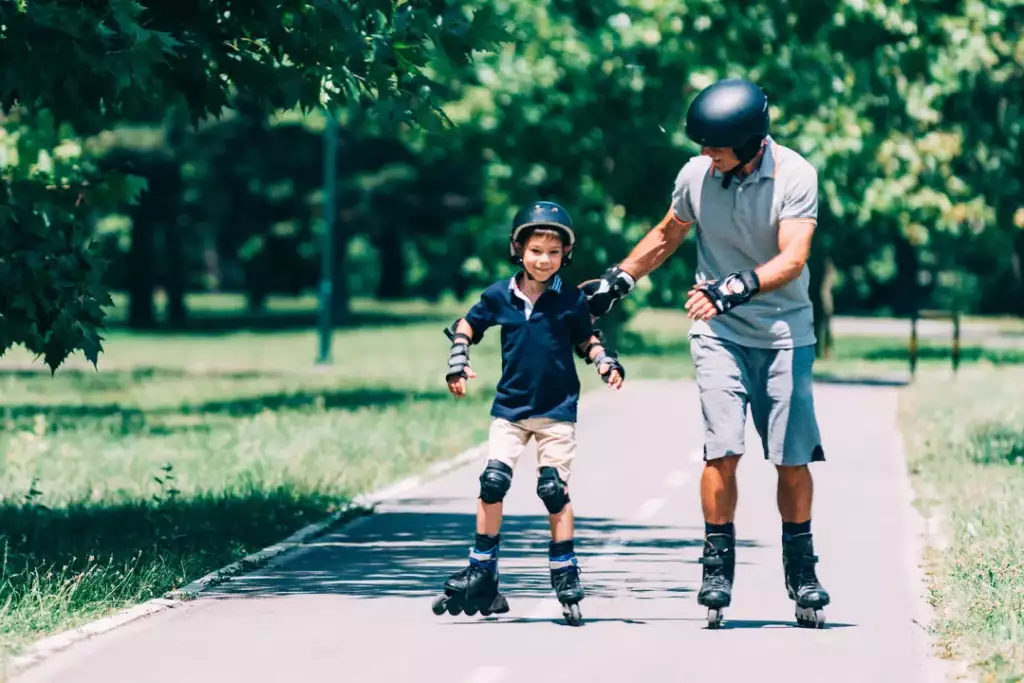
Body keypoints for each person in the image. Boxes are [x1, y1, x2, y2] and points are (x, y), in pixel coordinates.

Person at [580, 77, 831, 629]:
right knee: (722, 450)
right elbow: (669, 234)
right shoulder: (699, 175)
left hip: (786, 333)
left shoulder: (794, 175)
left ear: (751, 141)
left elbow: (793, 258)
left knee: (790, 460)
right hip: (717, 333)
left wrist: (736, 286)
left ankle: (802, 569)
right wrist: (619, 278)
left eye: (716, 146)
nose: (705, 155)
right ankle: (717, 566)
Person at [430, 200, 626, 627]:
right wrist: (458, 357)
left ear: (565, 256)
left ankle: (565, 570)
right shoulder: (500, 294)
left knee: (553, 489)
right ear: (518, 249)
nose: (544, 259)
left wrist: (604, 361)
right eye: (536, 250)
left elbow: (586, 338)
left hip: (556, 412)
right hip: (511, 409)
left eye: (554, 253)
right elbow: (468, 323)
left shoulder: (570, 298)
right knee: (493, 481)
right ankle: (482, 566)